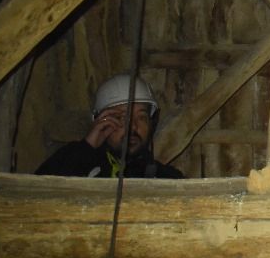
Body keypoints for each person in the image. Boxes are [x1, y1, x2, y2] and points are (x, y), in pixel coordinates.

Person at [36, 73, 183, 179]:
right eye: (121, 117)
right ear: (100, 122)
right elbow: (36, 192)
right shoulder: (75, 165)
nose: (133, 127)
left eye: (141, 117)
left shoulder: (166, 178)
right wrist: (87, 148)